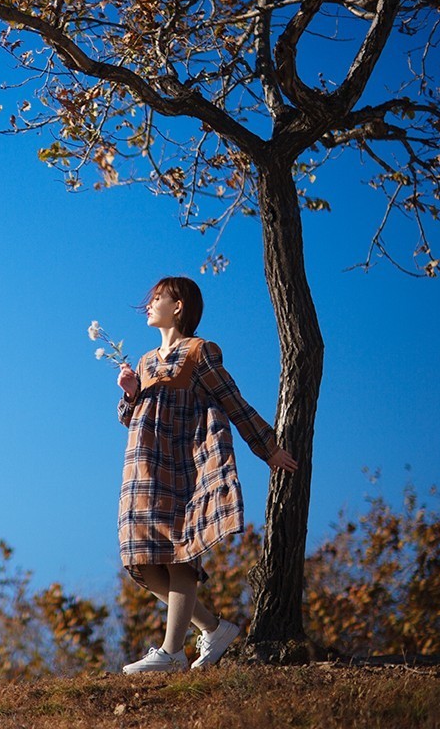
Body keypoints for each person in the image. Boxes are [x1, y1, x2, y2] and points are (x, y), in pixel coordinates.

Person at [115, 276, 298, 673]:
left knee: (179, 552)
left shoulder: (200, 351)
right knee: (143, 561)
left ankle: (172, 652)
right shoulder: (146, 361)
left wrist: (268, 448)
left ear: (178, 306)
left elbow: (233, 400)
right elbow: (131, 418)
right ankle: (214, 629)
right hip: (144, 467)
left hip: (184, 464)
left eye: (157, 299)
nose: (149, 305)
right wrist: (130, 393)